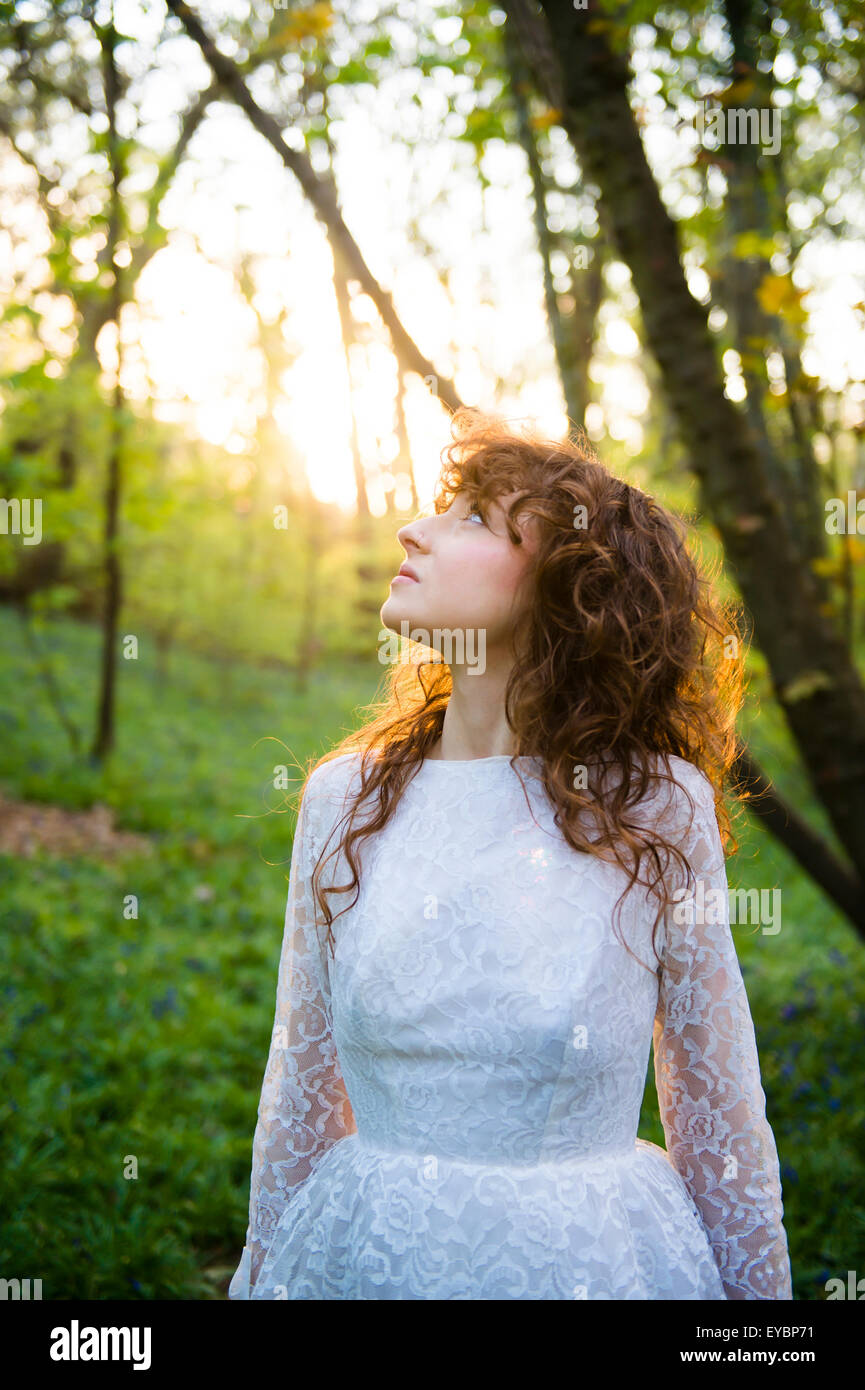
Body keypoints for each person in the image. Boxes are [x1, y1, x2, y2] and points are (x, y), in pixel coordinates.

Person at [228, 407, 793, 1300]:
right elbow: (298, 1089)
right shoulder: (345, 799)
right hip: (365, 1257)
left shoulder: (653, 806)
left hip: (590, 1264)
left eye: (472, 519)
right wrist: (261, 1273)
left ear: (571, 589)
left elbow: (718, 1116)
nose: (414, 529)